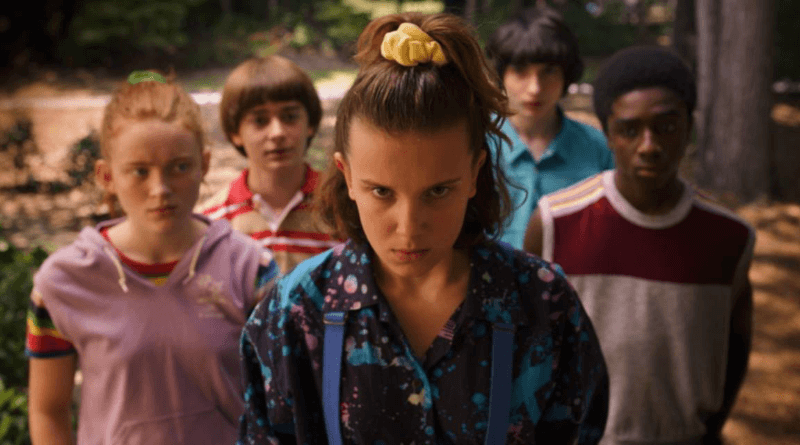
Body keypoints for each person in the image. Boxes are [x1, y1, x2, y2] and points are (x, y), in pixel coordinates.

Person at [238, 12, 609, 445]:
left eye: (438, 191)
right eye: (382, 192)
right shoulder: (295, 315)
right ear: (347, 175)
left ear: (475, 173)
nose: (409, 227)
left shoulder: (544, 307)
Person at [26, 73, 280, 445]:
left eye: (179, 167)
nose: (160, 189)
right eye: (140, 171)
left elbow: (282, 401)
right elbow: (48, 411)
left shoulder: (251, 269)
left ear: (204, 164)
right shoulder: (62, 283)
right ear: (107, 176)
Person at [524, 46, 755, 445]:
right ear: (609, 134)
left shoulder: (730, 237)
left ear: (689, 127)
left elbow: (735, 345)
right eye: (630, 130)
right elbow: (527, 343)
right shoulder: (555, 223)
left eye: (666, 126)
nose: (649, 145)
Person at [484, 5, 615, 249]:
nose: (535, 88)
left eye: (549, 71)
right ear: (501, 75)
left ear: (567, 76)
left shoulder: (600, 149)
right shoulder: (476, 145)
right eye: (520, 71)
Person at [198, 55, 339, 274]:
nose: (277, 133)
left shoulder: (341, 208)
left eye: (290, 117)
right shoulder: (213, 223)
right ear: (235, 132)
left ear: (310, 123)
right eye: (260, 120)